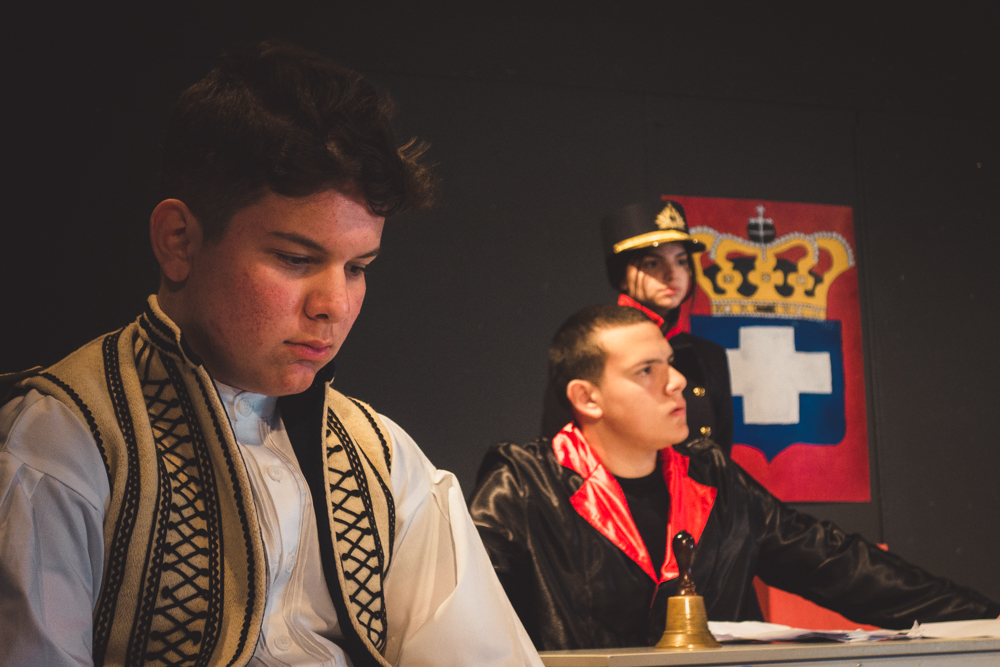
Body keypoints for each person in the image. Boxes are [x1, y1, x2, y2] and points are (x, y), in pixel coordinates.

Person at [0, 41, 541, 667]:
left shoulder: (385, 459)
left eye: (359, 268)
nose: (334, 305)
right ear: (178, 241)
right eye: (296, 259)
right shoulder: (64, 445)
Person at [472, 304, 1000, 650]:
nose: (678, 381)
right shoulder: (523, 483)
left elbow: (836, 564)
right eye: (647, 371)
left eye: (670, 362)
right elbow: (464, 620)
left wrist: (986, 620)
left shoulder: (711, 476)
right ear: (587, 398)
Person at [540, 199, 734, 456]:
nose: (672, 274)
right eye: (653, 263)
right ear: (621, 275)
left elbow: (720, 455)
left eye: (681, 261)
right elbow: (558, 448)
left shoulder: (709, 354)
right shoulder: (590, 345)